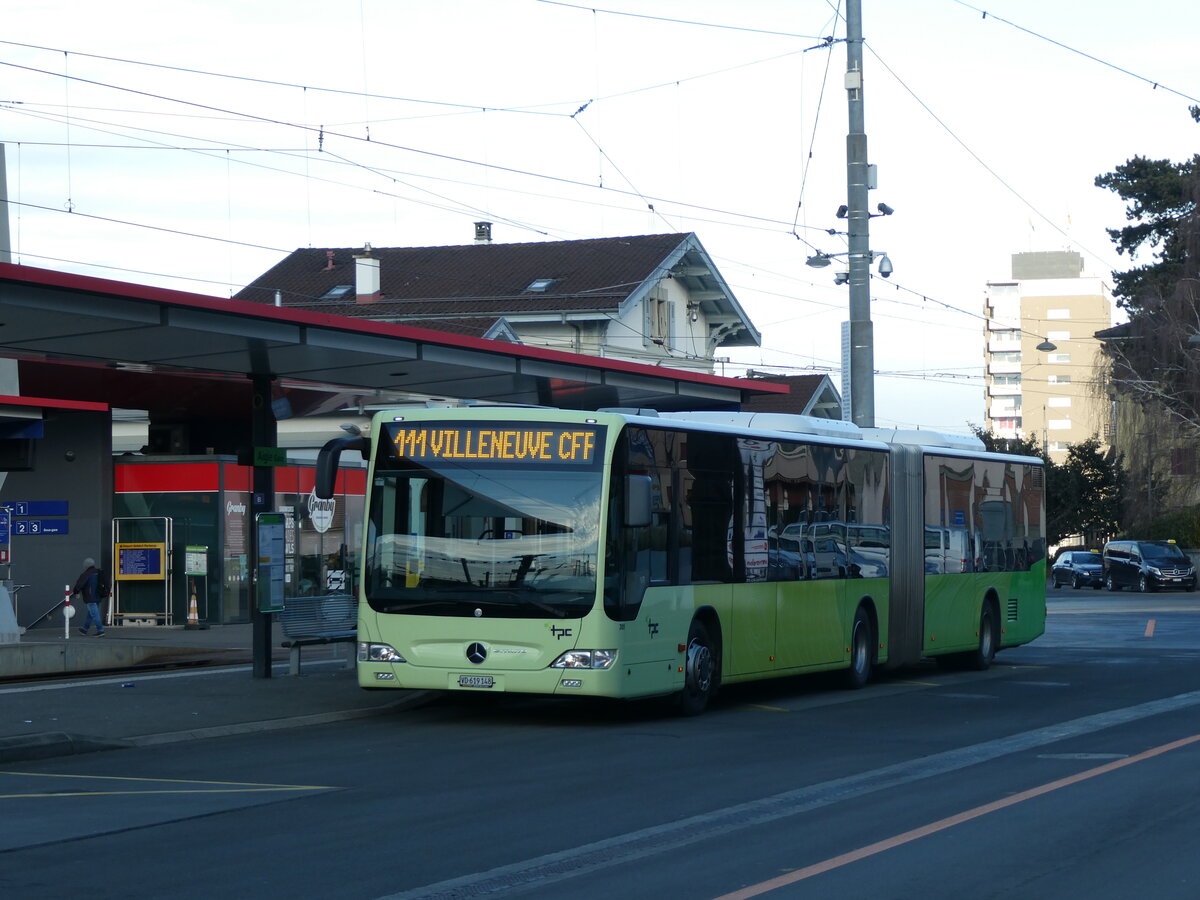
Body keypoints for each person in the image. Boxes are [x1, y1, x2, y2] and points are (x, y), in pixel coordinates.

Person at [74, 557, 106, 636]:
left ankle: (100, 630)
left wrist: (76, 592)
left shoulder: (86, 574)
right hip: (98, 596)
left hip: (90, 597)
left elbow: (79, 584)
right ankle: (84, 629)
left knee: (94, 614)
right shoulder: (99, 572)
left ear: (86, 565)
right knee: (91, 613)